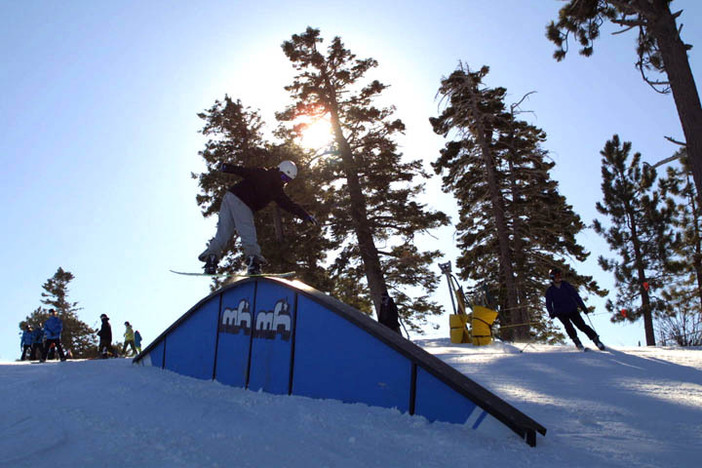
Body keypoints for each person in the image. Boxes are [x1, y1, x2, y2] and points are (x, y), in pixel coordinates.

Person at [198, 159, 317, 275]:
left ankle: (212, 258)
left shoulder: (267, 177)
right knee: (247, 231)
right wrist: (228, 168)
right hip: (243, 201)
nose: (284, 181)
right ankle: (253, 260)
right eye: (284, 177)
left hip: (230, 196)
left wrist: (304, 215)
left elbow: (290, 205)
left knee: (224, 231)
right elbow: (244, 171)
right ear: (279, 170)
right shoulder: (273, 185)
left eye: (287, 180)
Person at [545, 268, 606, 351]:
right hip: (560, 312)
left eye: (560, 276)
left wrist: (583, 307)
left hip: (572, 309)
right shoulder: (550, 290)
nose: (559, 278)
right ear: (552, 277)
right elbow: (548, 303)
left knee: (581, 325)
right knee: (568, 326)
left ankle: (596, 340)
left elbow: (576, 296)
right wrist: (551, 312)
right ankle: (577, 342)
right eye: (557, 276)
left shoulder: (566, 285)